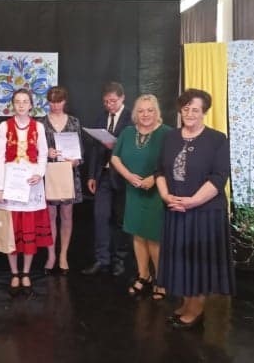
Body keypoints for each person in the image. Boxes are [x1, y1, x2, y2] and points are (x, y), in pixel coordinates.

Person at [155, 88, 235, 330]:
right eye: (186, 108)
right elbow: (159, 171)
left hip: (205, 213)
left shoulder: (217, 139)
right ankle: (187, 302)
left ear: (204, 112)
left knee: (198, 261)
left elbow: (219, 177)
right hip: (176, 209)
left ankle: (196, 307)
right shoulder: (170, 137)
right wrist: (165, 196)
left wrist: (193, 201)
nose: (190, 113)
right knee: (182, 260)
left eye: (195, 110)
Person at [0, 88, 53, 295]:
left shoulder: (38, 127)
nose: (21, 105)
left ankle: (26, 272)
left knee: (28, 227)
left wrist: (39, 174)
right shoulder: (4, 126)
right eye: (17, 101)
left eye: (25, 101)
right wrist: (0, 187)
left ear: (31, 105)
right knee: (11, 230)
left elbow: (43, 154)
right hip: (10, 182)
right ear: (13, 105)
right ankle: (14, 272)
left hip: (30, 183)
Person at [111, 94, 171, 298]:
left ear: (157, 112)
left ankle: (161, 280)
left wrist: (154, 178)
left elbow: (172, 162)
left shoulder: (167, 133)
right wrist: (128, 176)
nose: (145, 114)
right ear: (136, 113)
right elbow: (115, 157)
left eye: (150, 110)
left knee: (153, 238)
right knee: (137, 235)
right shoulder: (128, 132)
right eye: (141, 111)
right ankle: (143, 275)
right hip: (134, 191)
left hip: (156, 192)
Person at [82, 82, 132, 277]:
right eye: (106, 102)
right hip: (103, 175)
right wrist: (91, 175)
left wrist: (117, 146)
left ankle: (119, 260)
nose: (109, 105)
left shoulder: (131, 118)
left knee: (120, 219)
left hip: (123, 176)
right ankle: (102, 259)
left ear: (122, 98)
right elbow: (95, 149)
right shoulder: (101, 117)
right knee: (100, 217)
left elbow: (135, 147)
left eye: (113, 101)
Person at [40, 86, 83, 275]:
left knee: (66, 215)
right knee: (49, 216)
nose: (55, 105)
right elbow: (34, 152)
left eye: (59, 101)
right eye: (52, 102)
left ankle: (63, 254)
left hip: (68, 174)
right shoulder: (40, 123)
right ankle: (51, 255)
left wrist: (75, 161)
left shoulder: (74, 122)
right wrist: (45, 153)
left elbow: (80, 152)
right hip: (48, 174)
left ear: (65, 101)